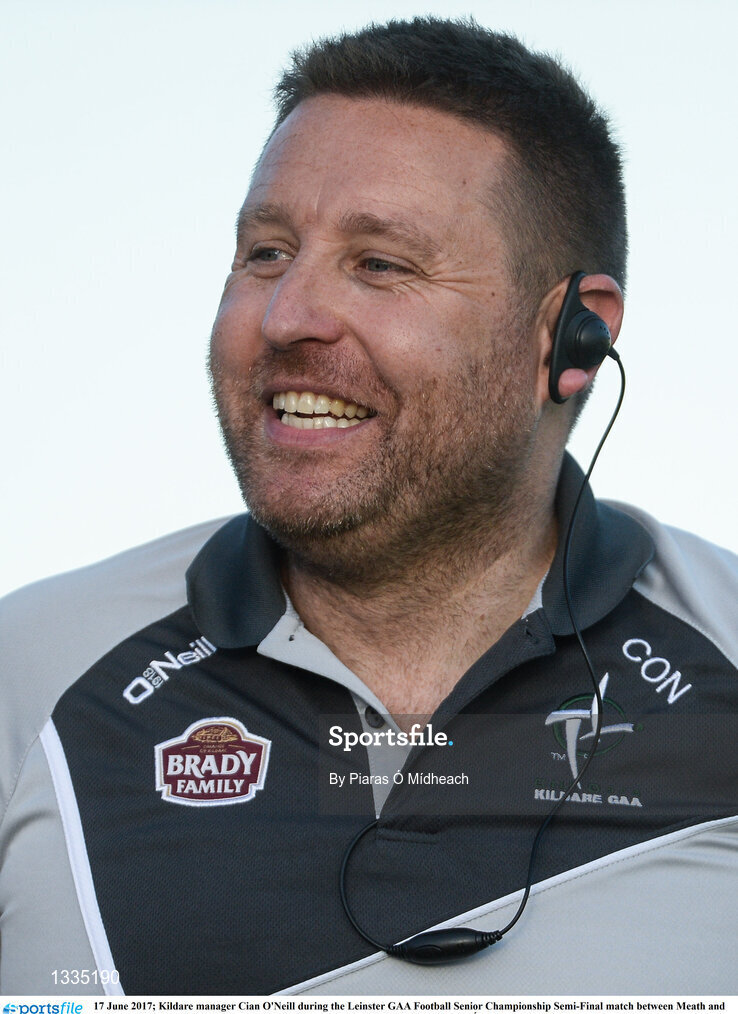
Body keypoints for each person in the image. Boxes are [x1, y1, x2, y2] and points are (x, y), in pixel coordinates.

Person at [1, 17, 736, 997]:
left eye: (380, 264)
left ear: (573, 338)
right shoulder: (30, 675)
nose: (286, 315)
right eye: (264, 252)